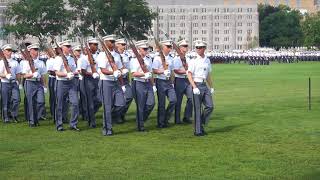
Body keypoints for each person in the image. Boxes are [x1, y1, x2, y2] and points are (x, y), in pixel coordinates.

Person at [96, 34, 126, 136]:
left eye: (114, 42)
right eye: (111, 42)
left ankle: (109, 118)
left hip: (116, 82)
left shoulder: (117, 55)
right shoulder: (101, 55)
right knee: (107, 107)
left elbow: (120, 68)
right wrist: (113, 72)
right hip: (106, 82)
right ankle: (107, 129)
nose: (113, 44)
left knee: (121, 103)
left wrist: (122, 83)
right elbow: (103, 70)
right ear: (106, 42)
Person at [187, 40, 214, 136]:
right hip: (196, 84)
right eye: (197, 47)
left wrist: (211, 87)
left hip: (204, 84)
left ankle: (200, 122)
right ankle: (197, 131)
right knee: (197, 109)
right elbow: (189, 74)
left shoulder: (207, 60)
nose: (198, 49)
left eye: (200, 47)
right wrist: (194, 87)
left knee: (210, 106)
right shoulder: (193, 60)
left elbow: (208, 75)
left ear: (204, 48)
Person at [53, 40, 80, 131]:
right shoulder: (58, 59)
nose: (69, 48)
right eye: (67, 46)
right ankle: (59, 125)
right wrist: (66, 74)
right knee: (60, 104)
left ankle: (73, 124)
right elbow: (57, 73)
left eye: (69, 46)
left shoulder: (72, 58)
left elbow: (76, 70)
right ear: (62, 48)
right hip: (61, 82)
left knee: (75, 103)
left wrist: (75, 73)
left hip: (71, 83)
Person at [130, 40, 156, 131]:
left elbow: (151, 72)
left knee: (151, 103)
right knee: (140, 106)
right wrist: (143, 75)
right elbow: (133, 73)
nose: (146, 51)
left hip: (148, 83)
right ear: (139, 49)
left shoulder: (148, 59)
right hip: (139, 83)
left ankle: (141, 119)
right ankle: (140, 126)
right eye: (144, 49)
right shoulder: (134, 59)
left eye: (147, 49)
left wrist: (153, 85)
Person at [20, 43, 47, 127]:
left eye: (37, 49)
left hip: (38, 83)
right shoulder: (25, 62)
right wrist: (32, 75)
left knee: (41, 101)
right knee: (31, 103)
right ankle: (32, 121)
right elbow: (23, 75)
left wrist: (45, 86)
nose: (36, 51)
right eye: (34, 49)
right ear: (30, 51)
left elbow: (43, 75)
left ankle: (37, 117)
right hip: (29, 82)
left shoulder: (41, 62)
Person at [152, 40, 177, 128]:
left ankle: (166, 118)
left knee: (173, 100)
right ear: (163, 47)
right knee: (161, 103)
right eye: (168, 47)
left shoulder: (171, 58)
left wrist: (173, 82)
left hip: (169, 82)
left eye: (170, 47)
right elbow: (154, 70)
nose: (170, 48)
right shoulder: (157, 58)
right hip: (160, 81)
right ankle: (161, 123)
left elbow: (172, 71)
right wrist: (162, 71)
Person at [173, 39, 192, 124]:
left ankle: (187, 117)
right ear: (180, 47)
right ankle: (177, 119)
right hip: (179, 80)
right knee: (178, 101)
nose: (186, 47)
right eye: (184, 46)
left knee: (191, 98)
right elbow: (176, 71)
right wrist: (186, 71)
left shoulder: (188, 58)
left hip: (187, 80)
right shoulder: (177, 58)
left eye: (186, 46)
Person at [0, 44, 21, 123]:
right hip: (5, 83)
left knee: (17, 99)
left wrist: (19, 82)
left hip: (13, 83)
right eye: (8, 50)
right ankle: (6, 117)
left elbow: (18, 73)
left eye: (10, 50)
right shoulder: (1, 62)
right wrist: (5, 75)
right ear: (4, 52)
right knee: (5, 101)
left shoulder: (15, 62)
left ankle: (14, 115)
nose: (10, 52)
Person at [115, 38, 133, 124]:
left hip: (125, 79)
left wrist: (128, 80)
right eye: (122, 44)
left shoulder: (126, 55)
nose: (123, 46)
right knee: (117, 100)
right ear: (117, 45)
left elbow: (127, 69)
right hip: (116, 79)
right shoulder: (114, 55)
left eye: (124, 44)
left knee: (129, 96)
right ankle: (116, 116)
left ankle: (121, 114)